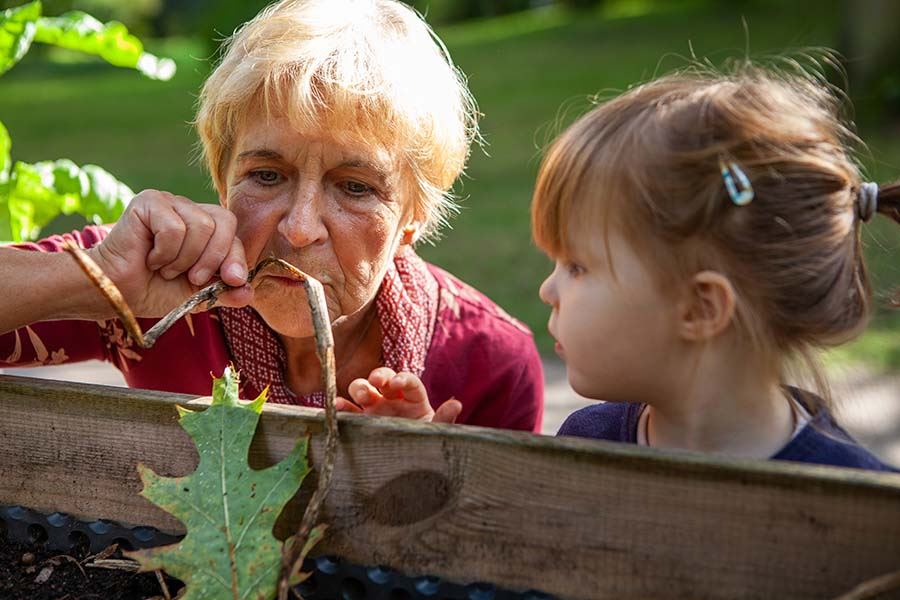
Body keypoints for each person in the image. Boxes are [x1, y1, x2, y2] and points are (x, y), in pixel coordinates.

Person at [0, 0, 544, 432]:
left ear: (413, 217)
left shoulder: (489, 365)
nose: (300, 227)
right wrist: (96, 279)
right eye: (266, 175)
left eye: (355, 188)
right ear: (222, 180)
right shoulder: (157, 279)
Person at [343, 63, 898, 470]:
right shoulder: (588, 440)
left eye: (578, 267)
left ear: (701, 307)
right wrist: (416, 458)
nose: (548, 289)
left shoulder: (857, 504)